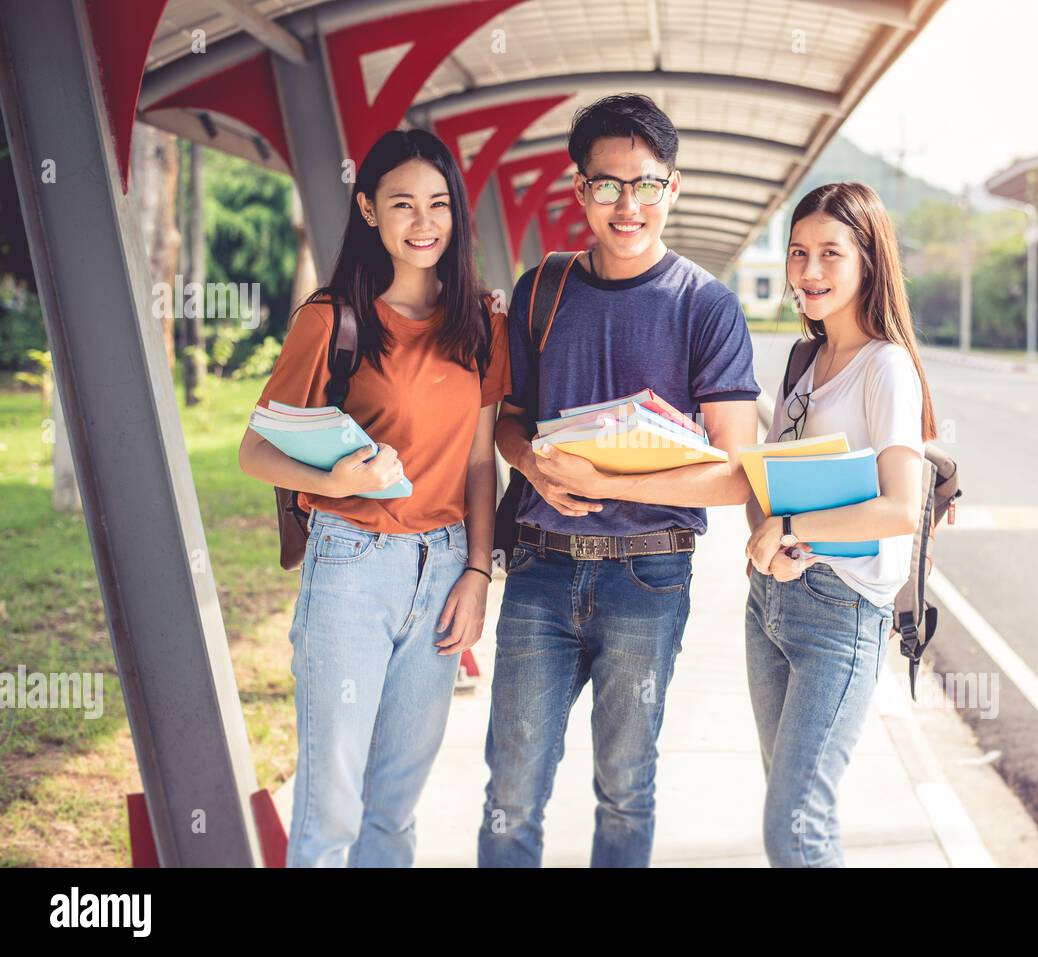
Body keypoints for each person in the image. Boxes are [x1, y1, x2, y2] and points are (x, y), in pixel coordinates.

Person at [480, 94, 760, 867]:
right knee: (510, 792)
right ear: (580, 192)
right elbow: (509, 418)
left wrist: (609, 474)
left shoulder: (706, 305)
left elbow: (736, 475)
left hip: (649, 575)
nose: (626, 204)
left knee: (625, 787)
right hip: (539, 568)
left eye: (644, 184)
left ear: (674, 187)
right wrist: (534, 462)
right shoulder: (543, 289)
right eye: (606, 185)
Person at [237, 129, 509, 867]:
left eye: (439, 204)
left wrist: (480, 574)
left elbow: (481, 464)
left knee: (393, 810)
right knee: (332, 807)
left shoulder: (482, 323)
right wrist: (335, 481)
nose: (424, 223)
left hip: (448, 568)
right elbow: (255, 449)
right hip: (351, 565)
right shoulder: (331, 320)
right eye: (402, 204)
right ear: (368, 210)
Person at [744, 182, 938, 867]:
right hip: (771, 601)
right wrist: (766, 536)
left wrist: (791, 523)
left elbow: (898, 507)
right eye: (799, 253)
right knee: (790, 809)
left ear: (868, 262)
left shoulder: (886, 368)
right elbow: (769, 479)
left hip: (841, 611)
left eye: (831, 253)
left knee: (796, 824)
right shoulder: (804, 359)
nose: (810, 272)